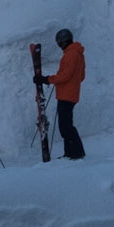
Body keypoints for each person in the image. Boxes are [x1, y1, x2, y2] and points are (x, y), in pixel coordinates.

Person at [42, 29, 85, 159]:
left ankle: (76, 153)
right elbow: (81, 76)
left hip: (67, 95)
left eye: (59, 42)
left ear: (63, 41)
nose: (59, 45)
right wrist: (68, 83)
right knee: (66, 126)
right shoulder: (77, 53)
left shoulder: (71, 55)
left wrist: (47, 79)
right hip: (70, 94)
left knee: (66, 127)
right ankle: (70, 153)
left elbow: (65, 75)